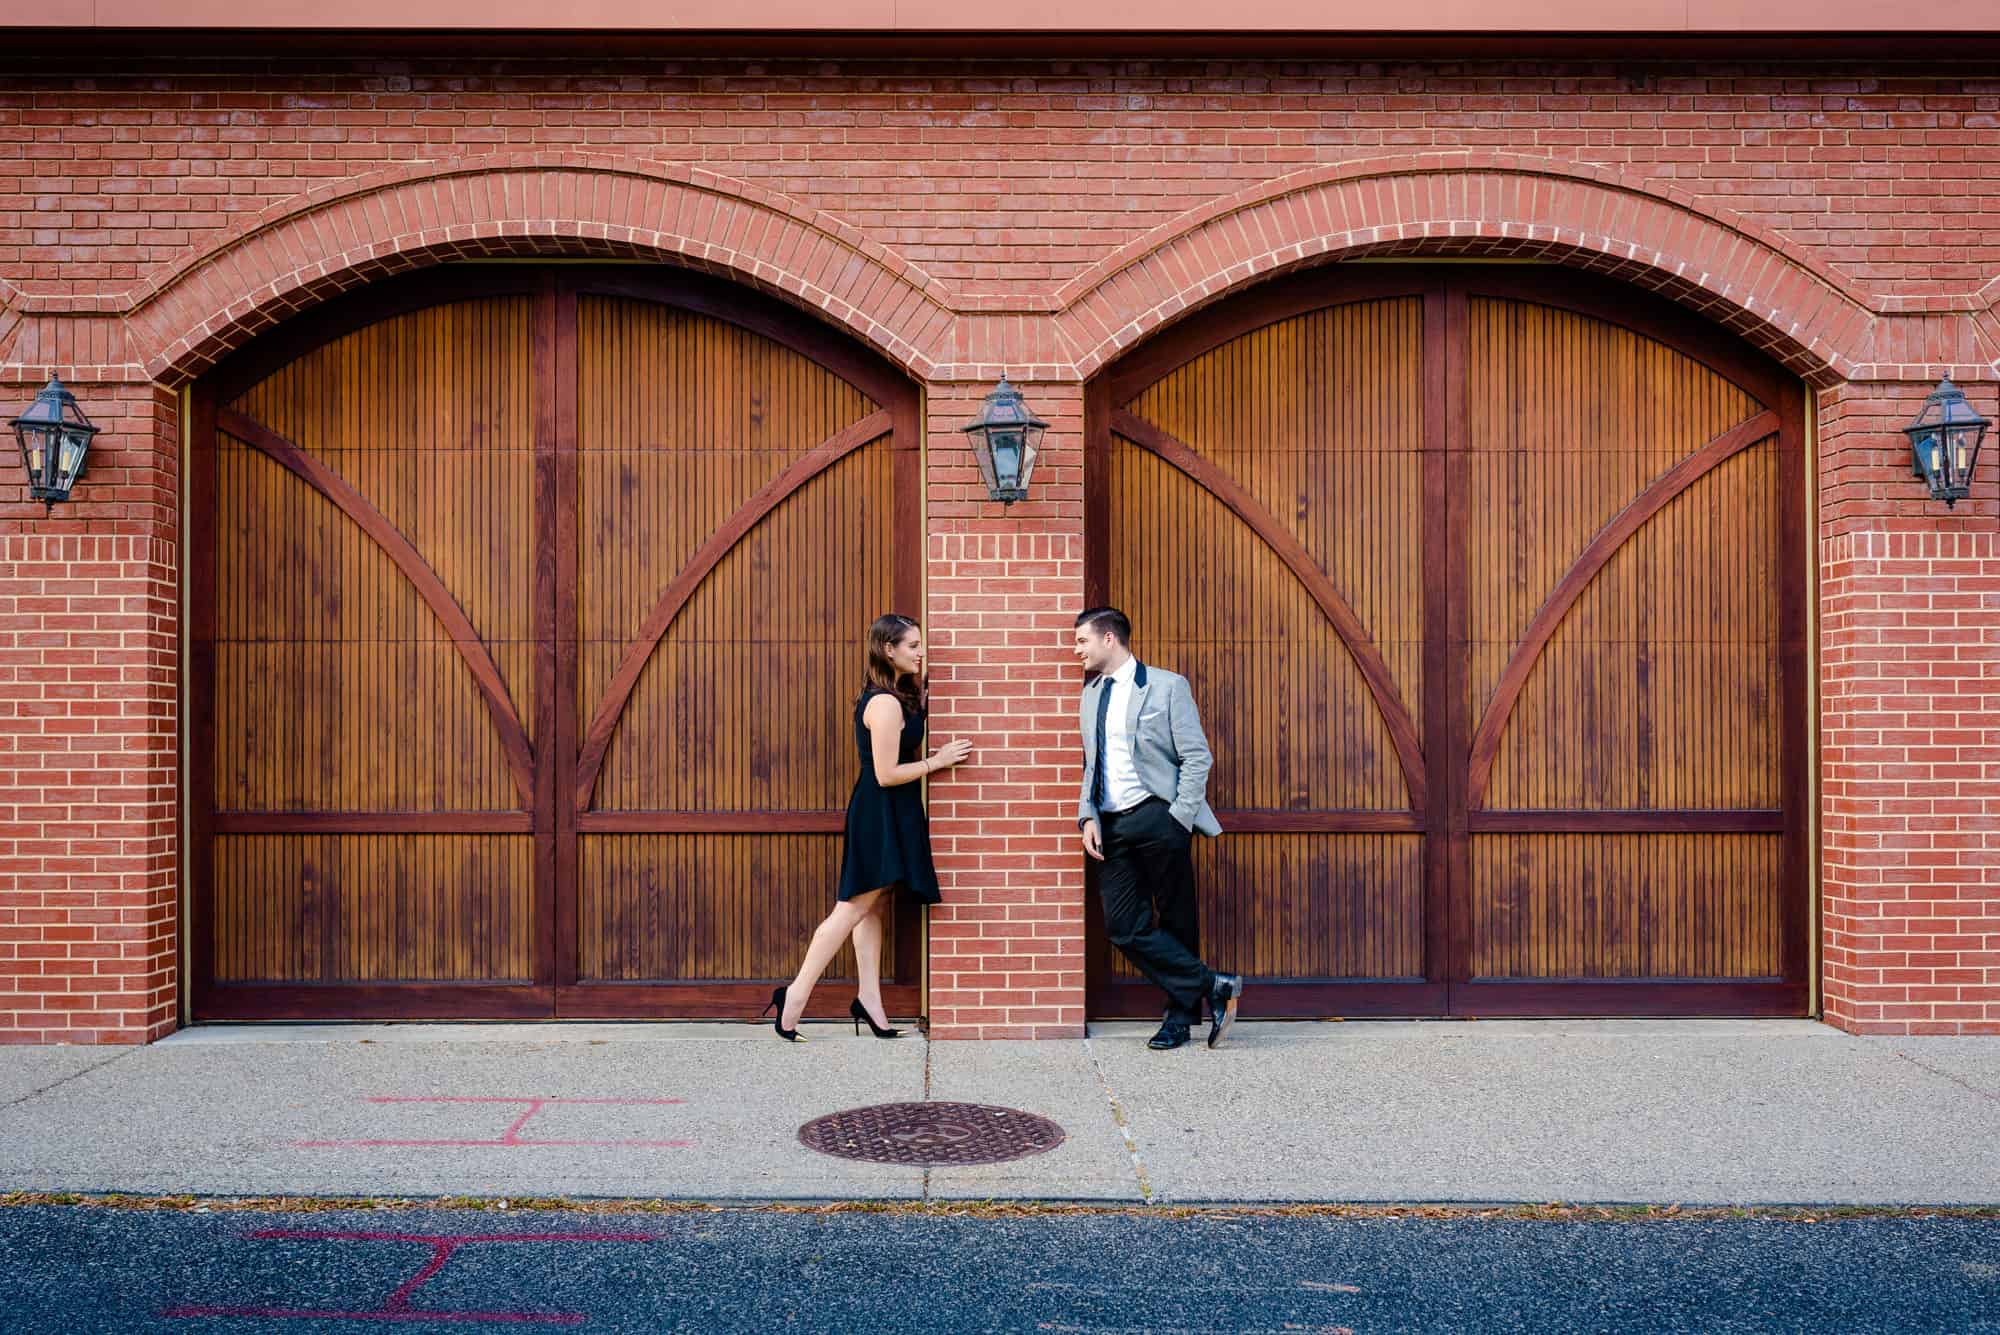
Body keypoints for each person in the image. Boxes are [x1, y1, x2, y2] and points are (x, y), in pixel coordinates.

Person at [765, 614, 972, 1041]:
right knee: (853, 907)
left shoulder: (898, 696)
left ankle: (869, 1000)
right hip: (879, 812)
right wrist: (939, 761)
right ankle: (795, 997)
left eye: (921, 644)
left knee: (872, 907)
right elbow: (885, 773)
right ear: (888, 650)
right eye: (913, 646)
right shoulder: (884, 703)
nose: (921, 652)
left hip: (893, 812)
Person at [1073, 606, 1243, 1050]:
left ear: (1109, 639)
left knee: (1176, 916)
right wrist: (1087, 815)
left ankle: (1179, 1019)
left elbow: (1196, 756)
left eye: (1082, 641)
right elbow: (1091, 763)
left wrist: (1178, 817)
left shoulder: (1166, 686)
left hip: (1158, 816)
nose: (1077, 651)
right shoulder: (1090, 693)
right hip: (1111, 824)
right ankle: (1214, 985)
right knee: (1123, 926)